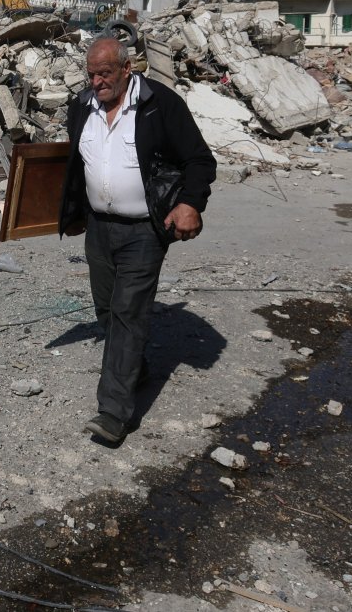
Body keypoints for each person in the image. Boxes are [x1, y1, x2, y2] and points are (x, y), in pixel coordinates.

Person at [58, 36, 216, 447]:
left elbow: (199, 159)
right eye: (91, 74)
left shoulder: (160, 104)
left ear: (127, 69)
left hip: (144, 229)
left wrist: (190, 204)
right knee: (107, 308)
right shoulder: (81, 106)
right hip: (99, 227)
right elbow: (76, 163)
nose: (96, 82)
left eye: (105, 73)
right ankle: (134, 368)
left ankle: (113, 413)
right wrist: (72, 212)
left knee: (129, 313)